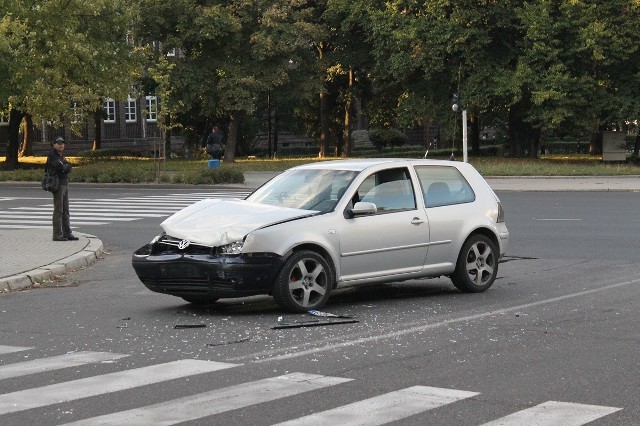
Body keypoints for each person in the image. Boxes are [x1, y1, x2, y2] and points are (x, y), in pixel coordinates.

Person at [46, 136, 78, 241]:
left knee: (66, 210)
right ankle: (57, 234)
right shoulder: (52, 155)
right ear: (54, 144)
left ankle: (67, 233)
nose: (61, 145)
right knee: (59, 210)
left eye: (62, 143)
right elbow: (61, 167)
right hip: (58, 184)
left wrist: (66, 167)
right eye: (59, 143)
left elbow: (68, 166)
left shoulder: (61, 154)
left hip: (64, 183)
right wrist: (65, 167)